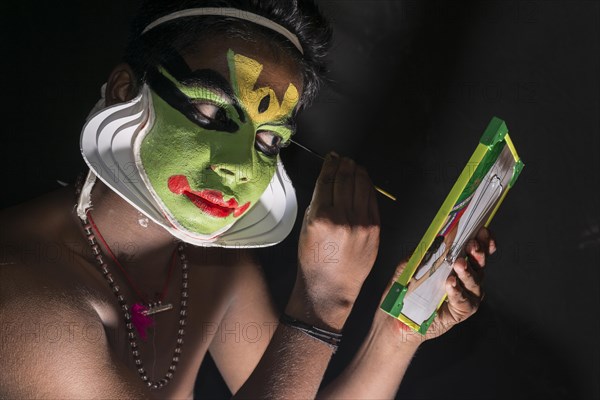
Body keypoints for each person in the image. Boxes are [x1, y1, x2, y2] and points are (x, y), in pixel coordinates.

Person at [0, 1, 493, 399]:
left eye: (268, 141)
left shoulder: (215, 271)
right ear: (126, 89)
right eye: (211, 113)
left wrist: (397, 332)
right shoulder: (24, 296)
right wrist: (322, 304)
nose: (238, 165)